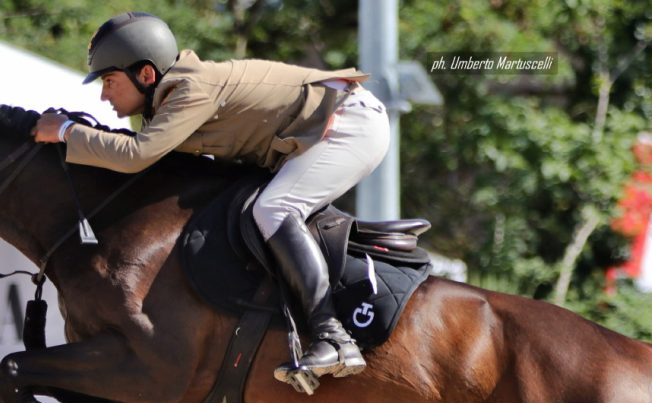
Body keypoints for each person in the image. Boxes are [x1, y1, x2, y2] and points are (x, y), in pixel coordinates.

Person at [31, 12, 389, 382]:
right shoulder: (168, 100)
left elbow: (135, 155)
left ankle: (333, 336)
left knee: (274, 208)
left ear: (147, 75)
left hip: (349, 125)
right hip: (321, 132)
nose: (104, 94)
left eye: (109, 81)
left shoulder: (190, 89)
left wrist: (67, 132)